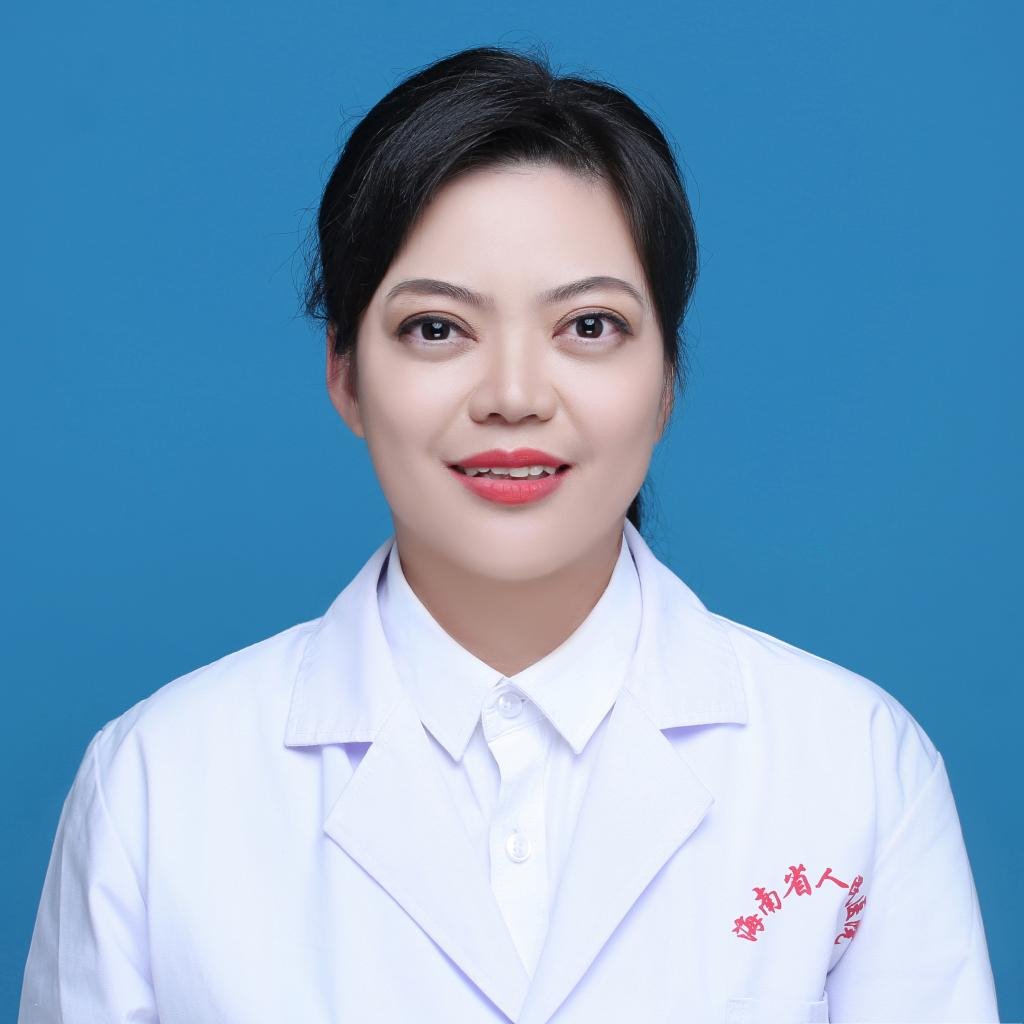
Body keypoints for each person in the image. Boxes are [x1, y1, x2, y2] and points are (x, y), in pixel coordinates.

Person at [19, 44, 999, 1024]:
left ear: (666, 379)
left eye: (590, 326)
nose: (515, 396)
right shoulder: (157, 786)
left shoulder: (855, 766)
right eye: (437, 328)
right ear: (345, 374)